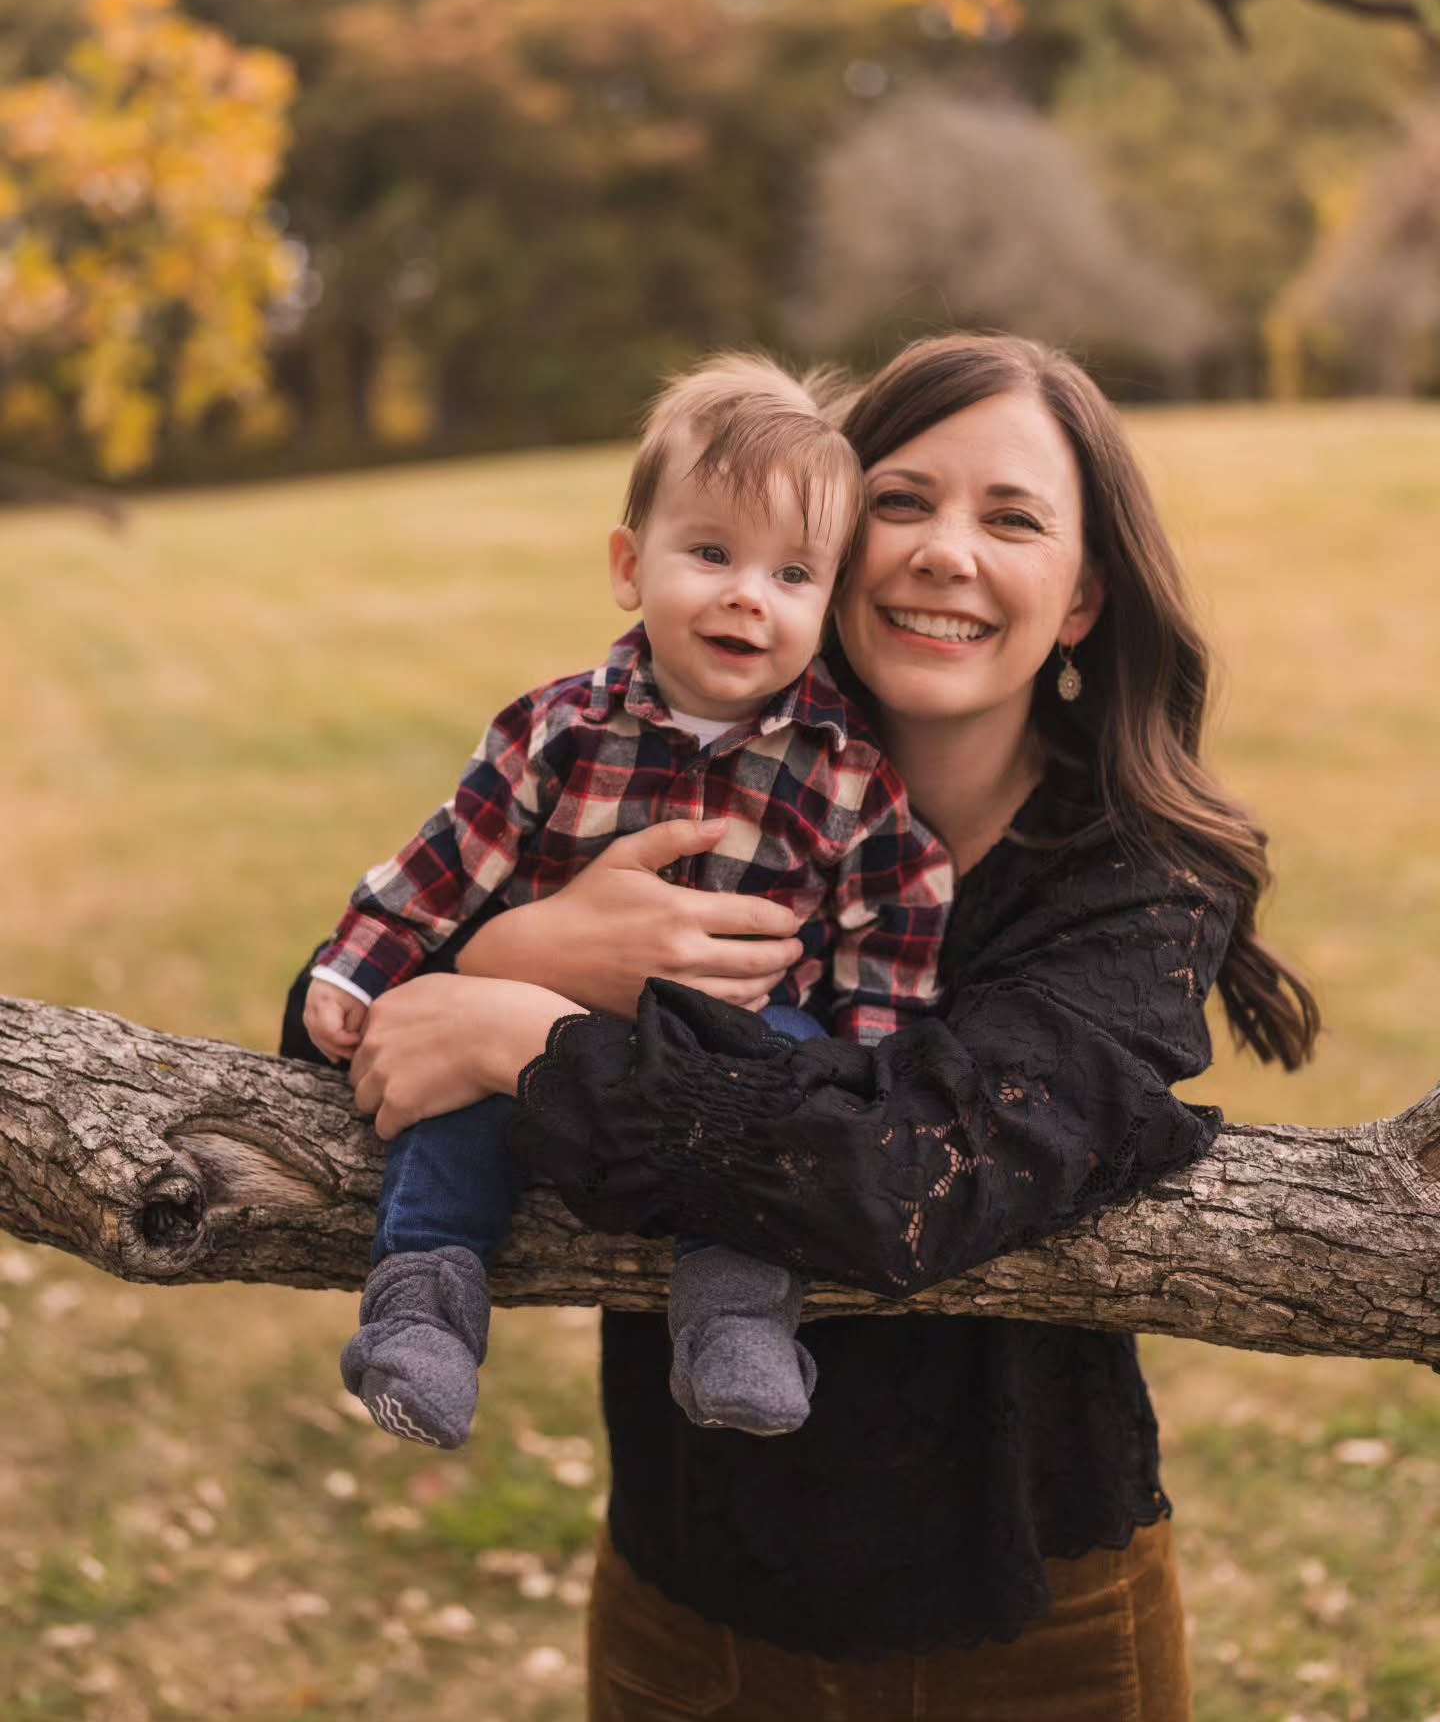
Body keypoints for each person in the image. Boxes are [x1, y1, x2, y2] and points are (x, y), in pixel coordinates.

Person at [289, 332, 1319, 1719]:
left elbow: (896, 1180)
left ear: (1081, 600)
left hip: (1024, 1615)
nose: (945, 552)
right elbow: (334, 1031)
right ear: (827, 530)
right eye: (903, 502)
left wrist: (530, 1039)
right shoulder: (661, 772)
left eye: (1011, 518)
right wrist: (513, 948)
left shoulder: (1133, 890)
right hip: (688, 1579)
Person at [301, 352, 952, 1452]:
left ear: (829, 602)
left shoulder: (847, 773)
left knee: (783, 1100)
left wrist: (869, 1060)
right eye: (711, 553)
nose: (749, 592)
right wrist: (351, 968)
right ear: (627, 565)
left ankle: (736, 1321)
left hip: (747, 1040)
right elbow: (448, 862)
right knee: (458, 1111)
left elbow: (891, 914)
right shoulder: (557, 731)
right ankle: (425, 1309)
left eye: (794, 576)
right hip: (548, 1033)